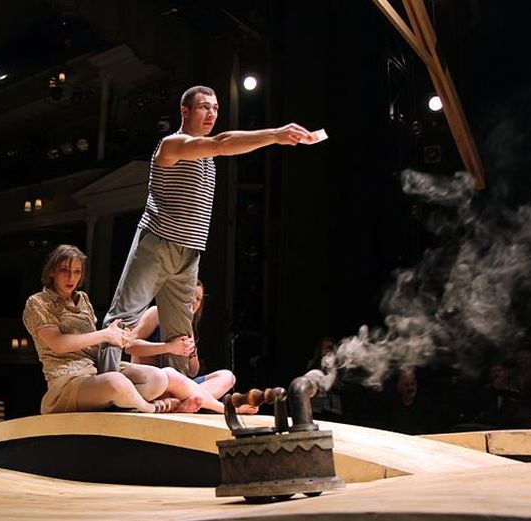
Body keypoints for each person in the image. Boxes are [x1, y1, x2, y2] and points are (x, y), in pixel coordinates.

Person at [100, 85, 323, 376]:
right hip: (157, 244)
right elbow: (221, 142)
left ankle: (177, 392)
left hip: (189, 253)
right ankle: (105, 387)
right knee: (122, 320)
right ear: (185, 111)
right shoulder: (172, 144)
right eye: (204, 107)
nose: (212, 113)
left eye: (216, 108)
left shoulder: (207, 158)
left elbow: (216, 146)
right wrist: (275, 135)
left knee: (180, 336)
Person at [22, 244, 202, 414]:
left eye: (77, 271)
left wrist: (121, 335)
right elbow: (59, 344)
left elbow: (97, 343)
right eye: (64, 270)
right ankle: (151, 408)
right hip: (67, 381)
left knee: (157, 379)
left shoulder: (82, 299)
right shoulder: (38, 302)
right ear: (52, 271)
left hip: (96, 371)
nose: (71, 277)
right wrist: (105, 335)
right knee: (115, 381)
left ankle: (126, 402)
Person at [126, 280, 257, 414]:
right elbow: (129, 346)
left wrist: (191, 353)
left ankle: (180, 404)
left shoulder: (187, 326)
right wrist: (170, 347)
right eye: (190, 296)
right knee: (170, 374)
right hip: (155, 384)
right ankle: (225, 408)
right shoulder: (157, 313)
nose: (194, 302)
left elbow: (193, 372)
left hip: (178, 387)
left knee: (228, 376)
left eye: (198, 299)